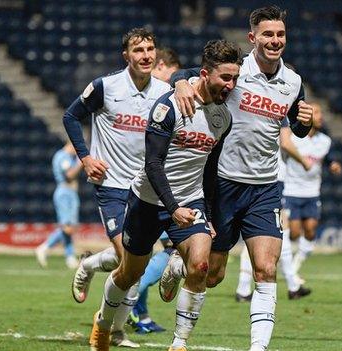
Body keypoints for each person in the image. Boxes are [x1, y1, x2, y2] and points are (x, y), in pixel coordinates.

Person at [161, 6, 313, 351]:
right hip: (223, 184)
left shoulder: (293, 82)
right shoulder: (236, 71)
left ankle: (258, 348)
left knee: (265, 269)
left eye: (280, 35)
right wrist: (181, 83)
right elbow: (183, 74)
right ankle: (178, 265)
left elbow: (297, 128)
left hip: (265, 187)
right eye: (268, 35)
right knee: (212, 275)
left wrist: (305, 121)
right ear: (252, 38)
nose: (275, 41)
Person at [87, 39, 242, 351]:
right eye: (226, 77)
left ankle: (179, 343)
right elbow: (152, 164)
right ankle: (103, 324)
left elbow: (209, 172)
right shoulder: (168, 107)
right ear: (205, 74)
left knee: (200, 266)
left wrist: (207, 215)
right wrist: (171, 208)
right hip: (148, 200)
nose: (231, 84)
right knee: (129, 274)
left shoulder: (222, 119)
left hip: (191, 200)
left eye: (235, 78)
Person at [63, 27, 170, 348]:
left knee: (133, 266)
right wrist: (85, 158)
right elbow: (71, 116)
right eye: (138, 50)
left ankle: (91, 264)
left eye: (150, 49)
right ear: (126, 55)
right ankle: (115, 330)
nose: (146, 55)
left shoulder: (165, 92)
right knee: (131, 262)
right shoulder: (105, 87)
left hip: (145, 189)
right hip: (110, 185)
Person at [128, 46, 181, 335]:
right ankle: (128, 299)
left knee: (144, 252)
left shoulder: (153, 96)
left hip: (153, 182)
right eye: (173, 75)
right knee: (168, 250)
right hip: (150, 186)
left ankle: (140, 314)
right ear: (162, 66)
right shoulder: (159, 97)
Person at [234, 130, 312, 302]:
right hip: (272, 179)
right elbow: (285, 143)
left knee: (259, 234)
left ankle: (245, 287)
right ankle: (292, 285)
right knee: (276, 231)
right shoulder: (279, 114)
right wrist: (303, 160)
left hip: (265, 177)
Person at [284, 103, 342, 284]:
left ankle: (293, 270)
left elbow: (329, 159)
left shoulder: (325, 140)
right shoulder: (293, 138)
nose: (320, 116)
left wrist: (334, 165)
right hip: (291, 189)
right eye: (316, 112)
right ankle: (288, 268)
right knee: (293, 233)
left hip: (312, 192)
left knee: (309, 231)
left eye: (321, 113)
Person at [35, 140, 82, 269]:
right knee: (67, 228)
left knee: (69, 228)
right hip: (65, 193)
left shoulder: (67, 157)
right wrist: (81, 162)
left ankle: (70, 257)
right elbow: (69, 175)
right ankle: (44, 247)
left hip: (70, 193)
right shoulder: (63, 157)